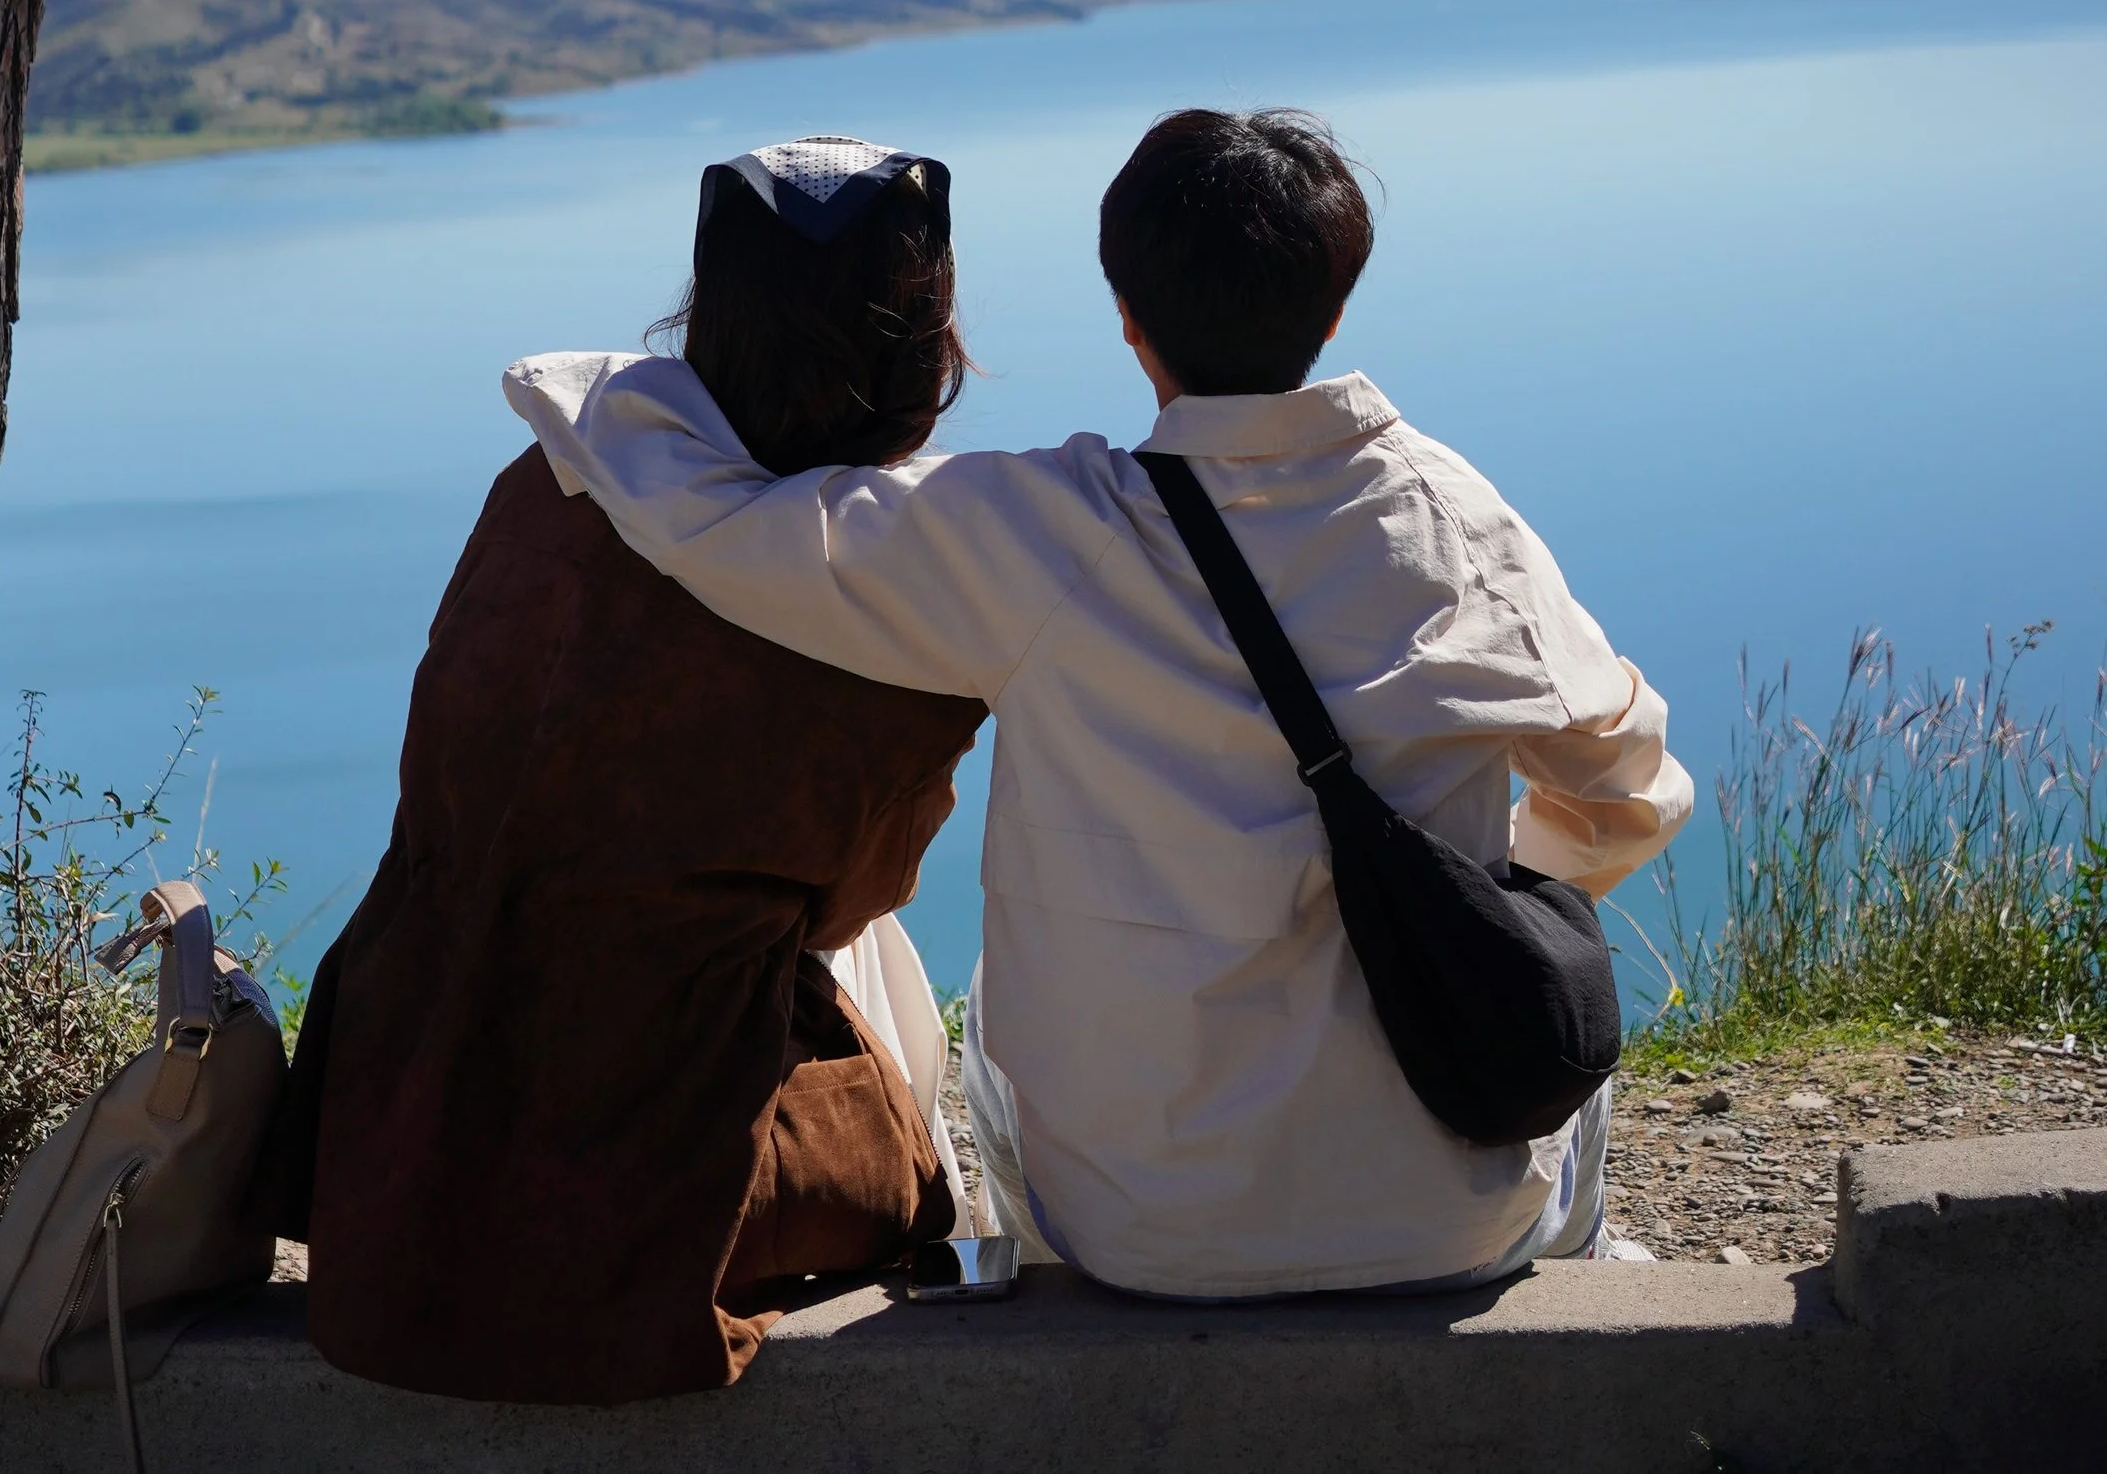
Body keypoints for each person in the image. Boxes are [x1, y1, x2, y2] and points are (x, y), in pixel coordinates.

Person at [508, 104, 1692, 1300]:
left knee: (988, 1039)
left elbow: (736, 529)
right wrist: (1460, 889)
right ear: (1333, 310)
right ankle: (1585, 1268)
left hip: (1139, 1236)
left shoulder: (1039, 535)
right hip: (1444, 1225)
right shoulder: (1456, 522)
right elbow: (1632, 788)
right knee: (1559, 1023)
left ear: (1126, 318)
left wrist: (590, 396)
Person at [292, 138, 985, 1399]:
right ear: (921, 330)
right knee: (867, 969)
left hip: (392, 1133)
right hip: (643, 1194)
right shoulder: (872, 593)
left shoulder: (553, 480)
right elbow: (859, 893)